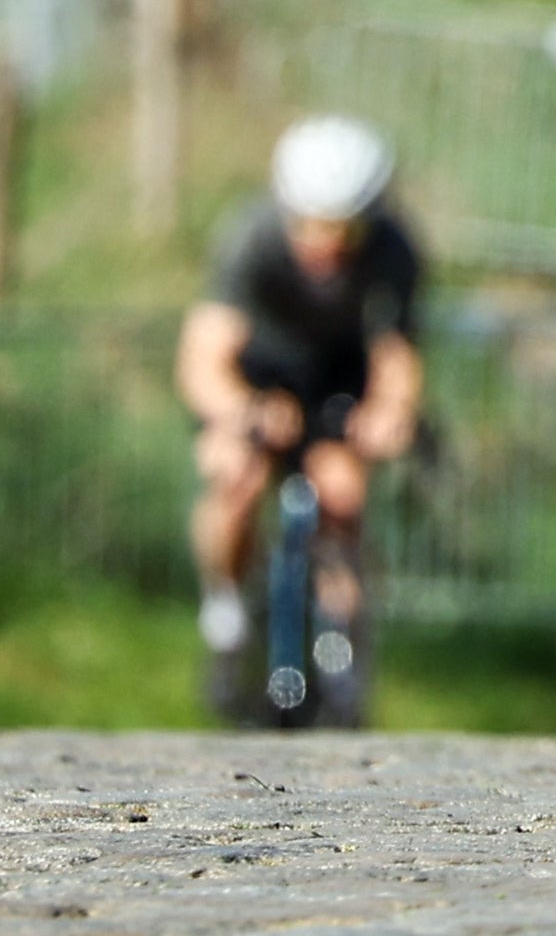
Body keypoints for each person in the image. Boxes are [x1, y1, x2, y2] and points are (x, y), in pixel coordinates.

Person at [177, 115, 424, 717]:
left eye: (346, 228)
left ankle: (346, 653)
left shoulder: (395, 247)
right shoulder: (251, 236)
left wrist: (390, 411)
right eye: (313, 225)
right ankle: (227, 611)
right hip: (258, 379)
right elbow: (205, 355)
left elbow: (396, 352)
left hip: (336, 380)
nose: (328, 243)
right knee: (235, 477)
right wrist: (243, 409)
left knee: (341, 496)